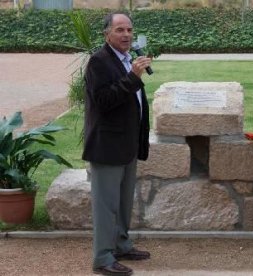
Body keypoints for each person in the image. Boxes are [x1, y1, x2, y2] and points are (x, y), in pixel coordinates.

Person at [82, 11, 152, 276]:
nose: (126, 35)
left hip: (127, 145)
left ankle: (121, 244)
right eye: (120, 30)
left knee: (124, 202)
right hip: (107, 146)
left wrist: (132, 73)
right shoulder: (98, 62)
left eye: (129, 30)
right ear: (107, 34)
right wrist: (133, 77)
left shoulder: (126, 59)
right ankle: (102, 257)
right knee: (106, 205)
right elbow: (103, 101)